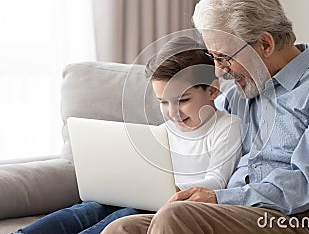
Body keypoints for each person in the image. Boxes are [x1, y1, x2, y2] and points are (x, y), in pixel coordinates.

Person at [102, 0, 309, 234]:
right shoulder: (239, 94)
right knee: (124, 227)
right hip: (234, 213)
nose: (219, 71)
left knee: (176, 217)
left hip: (306, 222)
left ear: (264, 44)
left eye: (224, 57)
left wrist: (218, 198)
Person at [16, 37, 242, 234]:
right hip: (145, 196)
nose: (172, 112)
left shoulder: (227, 126)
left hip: (176, 206)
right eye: (163, 102)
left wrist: (177, 189)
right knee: (89, 208)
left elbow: (218, 180)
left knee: (128, 213)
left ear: (212, 91)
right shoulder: (166, 129)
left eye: (183, 100)